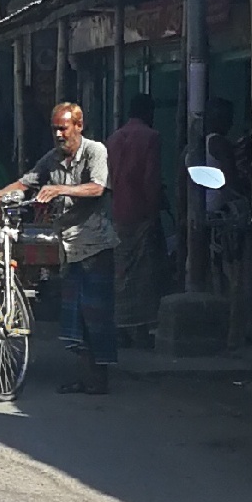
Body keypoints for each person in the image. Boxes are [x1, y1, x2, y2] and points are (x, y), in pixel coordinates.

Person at [0, 101, 115, 394]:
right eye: (55, 128)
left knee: (95, 316)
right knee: (75, 317)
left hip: (95, 245)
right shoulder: (52, 158)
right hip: (69, 246)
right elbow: (25, 182)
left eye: (64, 128)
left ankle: (99, 380)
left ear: (78, 127)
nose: (59, 134)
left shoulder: (95, 151)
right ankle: (85, 379)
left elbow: (98, 187)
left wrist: (60, 189)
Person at [107, 95, 165, 344]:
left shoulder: (113, 139)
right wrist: (155, 210)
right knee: (142, 274)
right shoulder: (151, 138)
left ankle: (119, 326)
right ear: (148, 112)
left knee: (120, 271)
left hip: (114, 213)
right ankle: (139, 328)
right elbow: (150, 180)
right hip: (139, 213)